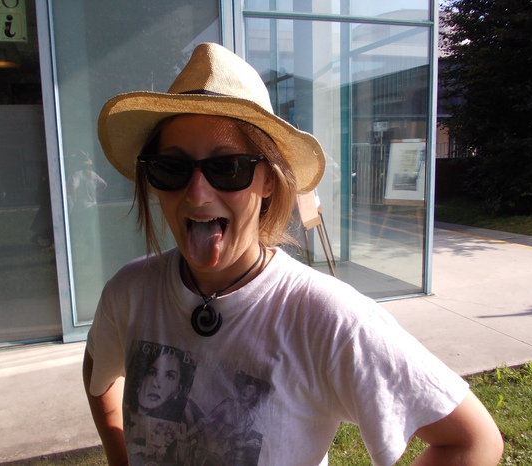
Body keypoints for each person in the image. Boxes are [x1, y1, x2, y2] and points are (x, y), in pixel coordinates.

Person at [83, 42, 503, 465]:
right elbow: (97, 371)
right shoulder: (128, 292)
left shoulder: (328, 318)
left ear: (269, 180)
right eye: (171, 168)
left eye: (228, 167)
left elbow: (473, 441)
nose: (197, 192)